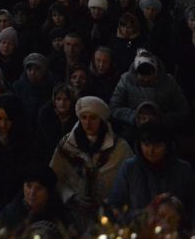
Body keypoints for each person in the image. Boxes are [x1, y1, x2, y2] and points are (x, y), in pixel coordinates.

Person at [50, 96, 133, 224]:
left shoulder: (119, 148)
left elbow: (129, 180)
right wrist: (72, 197)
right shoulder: (67, 145)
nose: (87, 123)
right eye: (83, 117)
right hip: (73, 214)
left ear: (102, 119)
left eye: (93, 118)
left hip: (110, 215)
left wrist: (107, 202)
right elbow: (55, 177)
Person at [107, 123, 195, 231]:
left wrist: (175, 217)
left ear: (167, 145)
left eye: (157, 146)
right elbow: (115, 207)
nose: (151, 151)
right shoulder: (129, 168)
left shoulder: (183, 169)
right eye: (146, 145)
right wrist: (145, 215)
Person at [0, 165, 80, 237]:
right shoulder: (10, 213)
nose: (32, 193)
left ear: (49, 192)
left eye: (39, 188)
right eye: (29, 186)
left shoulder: (62, 219)